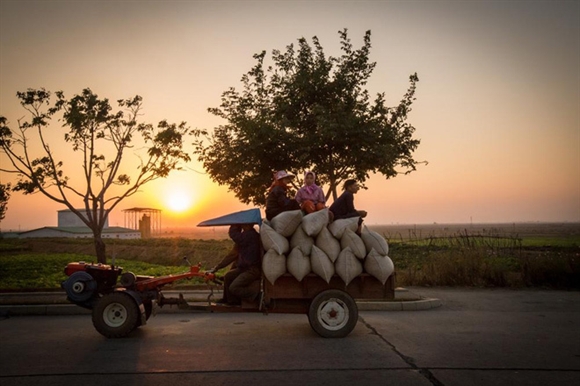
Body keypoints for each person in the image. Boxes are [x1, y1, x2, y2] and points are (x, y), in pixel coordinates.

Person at [209, 224, 262, 305]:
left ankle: (255, 294)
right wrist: (218, 267)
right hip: (244, 268)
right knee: (228, 276)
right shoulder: (245, 238)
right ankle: (230, 300)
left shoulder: (251, 236)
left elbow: (234, 235)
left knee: (234, 287)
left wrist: (234, 225)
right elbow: (231, 256)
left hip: (252, 270)